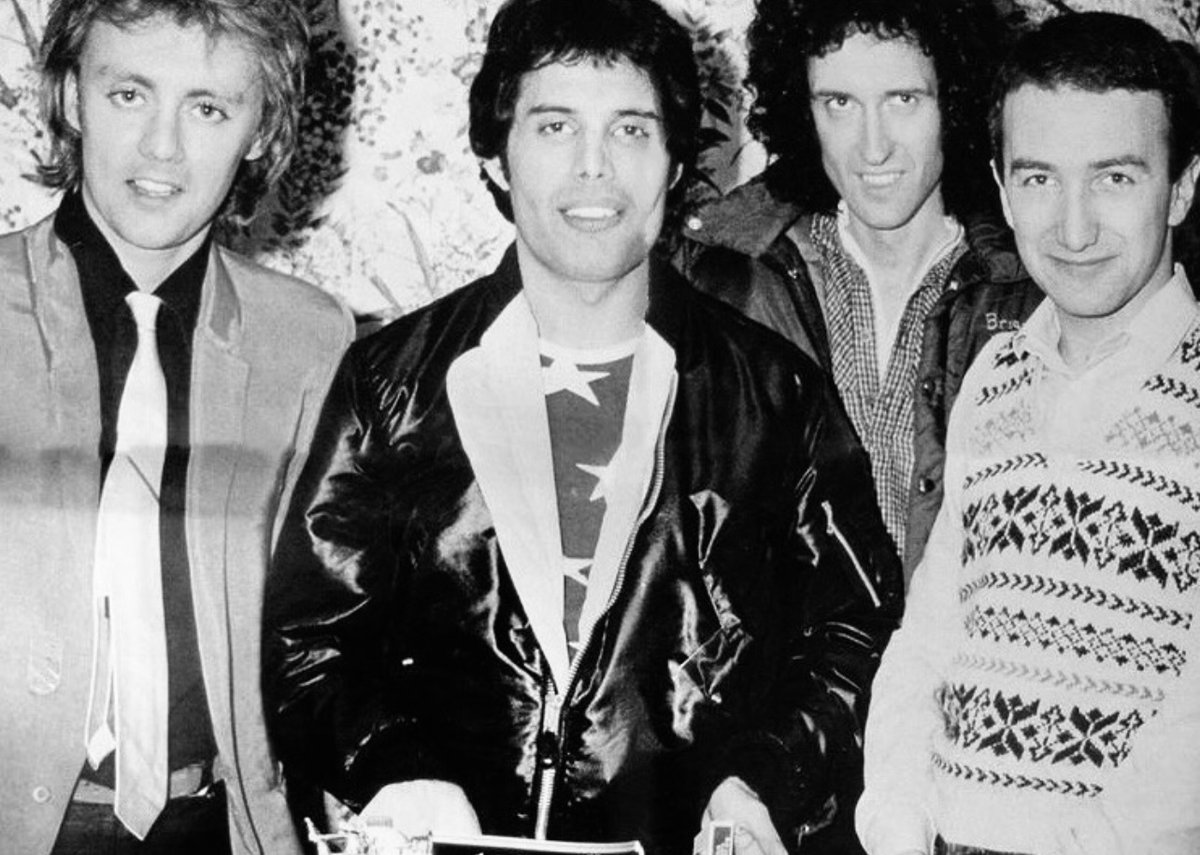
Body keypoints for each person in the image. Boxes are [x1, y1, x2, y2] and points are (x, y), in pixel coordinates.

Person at [262, 0, 903, 854]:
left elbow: (853, 628)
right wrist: (396, 770)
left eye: (631, 130)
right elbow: (308, 638)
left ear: (677, 161)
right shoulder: (391, 384)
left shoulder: (775, 393)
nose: (594, 167)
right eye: (556, 126)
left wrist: (761, 782)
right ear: (495, 156)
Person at [0, 0, 354, 852]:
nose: (162, 147)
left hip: (217, 826)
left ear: (261, 131)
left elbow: (331, 622)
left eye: (208, 109)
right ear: (72, 98)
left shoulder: (312, 340)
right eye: (129, 94)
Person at [857, 11, 1200, 855]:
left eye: (1115, 178)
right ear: (1003, 190)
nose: (1073, 229)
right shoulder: (993, 375)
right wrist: (897, 820)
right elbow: (931, 635)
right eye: (1040, 179)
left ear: (1182, 187)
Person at [679, 0, 1043, 581]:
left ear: (956, 101)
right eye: (840, 103)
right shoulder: (725, 280)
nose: (874, 148)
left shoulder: (1032, 292)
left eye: (903, 100)